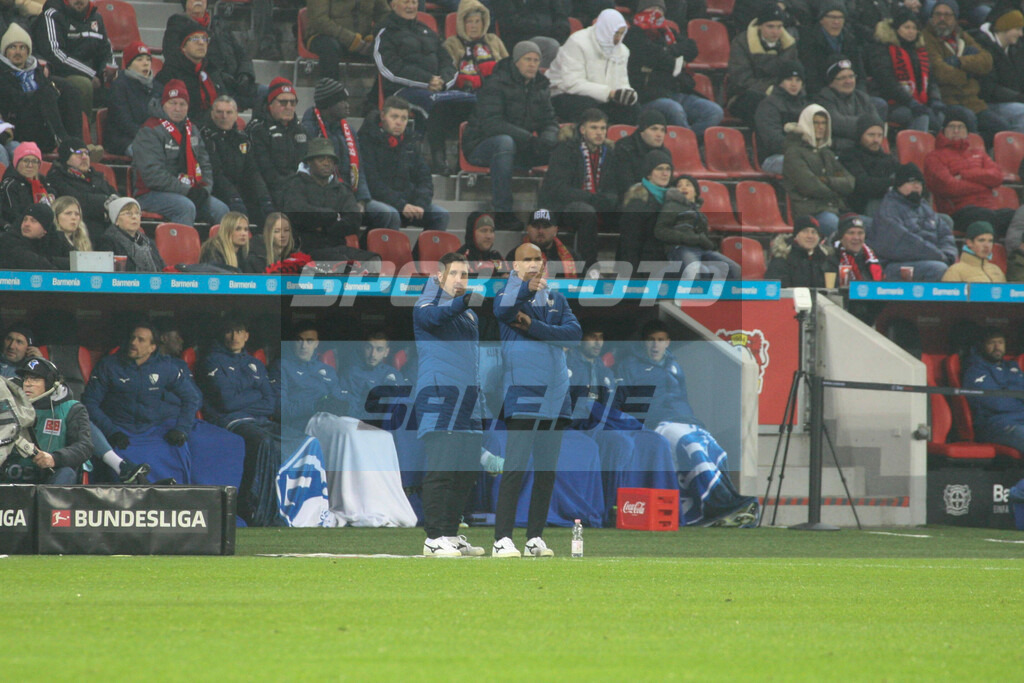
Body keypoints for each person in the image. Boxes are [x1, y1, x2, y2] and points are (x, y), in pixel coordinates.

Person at [614, 319, 759, 526]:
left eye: (661, 340)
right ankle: (720, 505)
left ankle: (727, 502)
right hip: (658, 424)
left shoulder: (674, 366)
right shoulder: (629, 366)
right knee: (691, 446)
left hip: (685, 421)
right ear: (644, 342)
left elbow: (682, 400)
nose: (655, 345)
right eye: (651, 340)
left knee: (715, 448)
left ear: (668, 342)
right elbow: (624, 403)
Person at [491, 242, 582, 557]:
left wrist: (534, 327)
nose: (533, 264)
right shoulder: (507, 296)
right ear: (514, 267)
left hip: (557, 396)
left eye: (537, 260)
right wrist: (527, 296)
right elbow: (502, 311)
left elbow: (574, 334)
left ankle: (534, 538)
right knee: (515, 468)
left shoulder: (557, 298)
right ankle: (502, 539)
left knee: (546, 471)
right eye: (526, 260)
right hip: (524, 394)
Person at [412, 252, 488, 557]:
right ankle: (433, 538)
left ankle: (450, 534)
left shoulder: (470, 315)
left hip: (468, 401)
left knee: (465, 472)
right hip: (439, 397)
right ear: (440, 277)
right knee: (442, 470)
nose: (460, 279)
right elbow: (433, 318)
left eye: (465, 274)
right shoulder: (427, 304)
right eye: (454, 273)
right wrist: (462, 301)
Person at [81, 323, 204, 484]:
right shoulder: (109, 365)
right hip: (119, 430)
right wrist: (111, 431)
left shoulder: (165, 367)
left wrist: (182, 429)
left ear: (152, 347)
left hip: (152, 430)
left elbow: (192, 398)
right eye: (133, 338)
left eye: (141, 340)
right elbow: (89, 403)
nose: (134, 343)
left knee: (178, 452)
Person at [463, 41, 559, 227]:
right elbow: (492, 124)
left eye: (536, 60)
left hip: (521, 146)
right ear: (516, 61)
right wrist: (529, 138)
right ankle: (502, 212)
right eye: (527, 59)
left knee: (560, 147)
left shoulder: (540, 86)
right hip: (481, 145)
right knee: (504, 142)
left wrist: (548, 138)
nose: (532, 64)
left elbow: (551, 121)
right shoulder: (496, 83)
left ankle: (547, 215)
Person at [372, 0, 472, 170]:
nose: (411, 6)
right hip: (402, 90)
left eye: (414, 2)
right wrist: (426, 81)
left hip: (437, 88)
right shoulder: (385, 31)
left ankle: (466, 159)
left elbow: (448, 62)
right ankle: (438, 160)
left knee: (474, 101)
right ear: (393, 4)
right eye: (406, 2)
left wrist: (443, 83)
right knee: (436, 103)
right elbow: (389, 68)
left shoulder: (427, 31)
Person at [198, 319, 280, 525]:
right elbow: (227, 403)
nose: (234, 337)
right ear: (223, 335)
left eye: (239, 331)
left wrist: (242, 400)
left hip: (259, 420)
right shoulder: (211, 361)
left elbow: (271, 404)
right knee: (262, 441)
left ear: (247, 335)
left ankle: (297, 506)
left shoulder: (255, 363)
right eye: (229, 331)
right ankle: (254, 506)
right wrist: (255, 394)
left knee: (303, 440)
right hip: (229, 421)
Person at [132, 80, 229, 227]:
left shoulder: (193, 129)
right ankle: (181, 249)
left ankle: (218, 250)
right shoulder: (149, 130)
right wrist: (188, 191)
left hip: (189, 191)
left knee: (222, 210)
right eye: (173, 103)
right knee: (185, 207)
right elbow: (153, 175)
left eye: (182, 104)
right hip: (150, 193)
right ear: (163, 104)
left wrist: (204, 190)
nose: (178, 108)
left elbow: (205, 164)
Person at [301, 79, 391, 229]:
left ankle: (368, 247)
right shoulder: (309, 131)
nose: (347, 105)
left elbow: (359, 169)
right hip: (326, 196)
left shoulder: (349, 130)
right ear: (328, 105)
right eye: (342, 101)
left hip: (352, 194)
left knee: (387, 214)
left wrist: (362, 200)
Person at [624, 0, 723, 135]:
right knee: (674, 110)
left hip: (676, 91)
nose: (656, 13)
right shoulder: (634, 34)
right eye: (651, 9)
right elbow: (658, 57)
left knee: (714, 111)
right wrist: (673, 54)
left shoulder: (668, 32)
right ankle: (685, 145)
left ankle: (689, 142)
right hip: (649, 96)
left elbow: (692, 48)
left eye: (659, 10)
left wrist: (667, 50)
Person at [538, 109, 616, 268]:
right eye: (594, 128)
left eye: (602, 128)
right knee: (585, 212)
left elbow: (615, 185)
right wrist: (591, 198)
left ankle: (633, 273)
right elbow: (557, 189)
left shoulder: (610, 153)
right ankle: (588, 268)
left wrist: (612, 199)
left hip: (599, 205)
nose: (599, 133)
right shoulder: (565, 150)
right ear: (582, 130)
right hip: (563, 207)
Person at [359, 96, 449, 232]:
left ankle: (420, 254)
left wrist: (420, 204)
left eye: (403, 118)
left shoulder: (410, 141)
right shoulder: (367, 139)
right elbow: (373, 183)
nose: (399, 122)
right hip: (379, 200)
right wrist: (401, 205)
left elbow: (424, 178)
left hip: (407, 202)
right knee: (391, 214)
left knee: (441, 215)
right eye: (394, 117)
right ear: (383, 116)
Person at [0, 357, 90, 485]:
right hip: (10, 475)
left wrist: (55, 458)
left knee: (67, 472)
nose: (28, 384)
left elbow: (84, 447)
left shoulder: (72, 408)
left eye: (35, 379)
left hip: (49, 478)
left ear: (50, 383)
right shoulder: (9, 408)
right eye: (26, 378)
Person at [923, 0, 1004, 141]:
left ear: (955, 18)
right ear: (931, 17)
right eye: (938, 14)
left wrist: (960, 61)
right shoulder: (927, 37)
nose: (942, 19)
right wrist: (969, 73)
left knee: (1001, 128)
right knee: (968, 118)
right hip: (947, 100)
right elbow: (941, 72)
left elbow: (986, 61)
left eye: (947, 15)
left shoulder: (961, 36)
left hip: (972, 101)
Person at [0, 23, 83, 153]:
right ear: (5, 52)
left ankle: (78, 144)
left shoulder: (37, 70)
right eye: (12, 47)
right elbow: (13, 99)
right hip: (17, 126)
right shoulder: (2, 74)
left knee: (70, 91)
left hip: (42, 124)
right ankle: (65, 143)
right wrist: (41, 94)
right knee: (45, 92)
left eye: (22, 48)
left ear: (28, 52)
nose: (17, 52)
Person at [923, 113, 1012, 234]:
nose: (956, 131)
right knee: (985, 218)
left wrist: (965, 175)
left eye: (961, 127)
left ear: (967, 132)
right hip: (958, 211)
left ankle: (1017, 252)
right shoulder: (934, 157)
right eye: (951, 127)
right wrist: (985, 185)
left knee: (1016, 216)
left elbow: (997, 177)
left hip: (990, 209)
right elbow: (950, 187)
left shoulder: (979, 154)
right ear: (943, 130)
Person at [547, 9, 637, 125]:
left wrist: (629, 95)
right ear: (606, 29)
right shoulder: (577, 42)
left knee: (632, 109)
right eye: (616, 33)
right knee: (589, 108)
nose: (618, 38)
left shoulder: (622, 51)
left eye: (621, 33)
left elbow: (622, 83)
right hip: (563, 94)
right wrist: (609, 93)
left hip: (601, 98)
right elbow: (571, 84)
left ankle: (620, 142)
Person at [870, 161, 956, 280]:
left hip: (931, 259)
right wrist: (938, 255)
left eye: (920, 183)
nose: (917, 186)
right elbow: (904, 243)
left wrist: (948, 254)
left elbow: (945, 235)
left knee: (959, 271)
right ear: (899, 185)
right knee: (938, 268)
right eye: (912, 182)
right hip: (894, 265)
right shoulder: (889, 208)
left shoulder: (924, 206)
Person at [167, 0, 256, 112]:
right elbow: (174, 57)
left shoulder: (219, 24)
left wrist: (245, 74)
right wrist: (218, 75)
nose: (198, 1)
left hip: (236, 82)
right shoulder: (177, 25)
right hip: (211, 81)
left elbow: (243, 54)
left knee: (268, 94)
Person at [199, 95, 274, 227]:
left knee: (268, 215)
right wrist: (234, 197)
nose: (224, 116)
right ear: (212, 114)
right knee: (239, 214)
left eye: (229, 112)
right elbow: (216, 173)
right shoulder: (205, 138)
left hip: (240, 192)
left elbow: (252, 172)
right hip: (218, 193)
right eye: (219, 112)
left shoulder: (242, 139)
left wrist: (264, 198)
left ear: (236, 115)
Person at [869, 7, 946, 133]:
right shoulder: (882, 50)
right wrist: (911, 102)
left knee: (940, 115)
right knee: (921, 115)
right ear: (896, 29)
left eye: (914, 28)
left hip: (919, 102)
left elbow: (931, 81)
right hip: (893, 103)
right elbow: (887, 82)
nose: (911, 31)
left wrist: (935, 99)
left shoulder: (920, 52)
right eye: (906, 27)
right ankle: (918, 150)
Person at [280, 137, 363, 254]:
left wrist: (324, 228)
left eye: (330, 160)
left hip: (337, 247)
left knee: (374, 260)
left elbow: (354, 221)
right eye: (321, 159)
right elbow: (298, 212)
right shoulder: (295, 184)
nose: (326, 163)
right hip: (305, 249)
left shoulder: (342, 189)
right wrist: (334, 216)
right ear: (309, 161)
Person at [782, 104, 854, 238]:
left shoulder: (827, 153)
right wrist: (836, 191)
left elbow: (850, 182)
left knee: (867, 225)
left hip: (832, 209)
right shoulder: (794, 153)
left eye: (824, 123)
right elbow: (810, 186)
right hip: (810, 213)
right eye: (816, 123)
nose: (821, 127)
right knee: (844, 231)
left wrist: (827, 180)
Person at [33, 0, 111, 116]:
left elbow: (106, 51)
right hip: (60, 72)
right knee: (83, 84)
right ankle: (83, 131)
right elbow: (55, 54)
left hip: (91, 72)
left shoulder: (97, 18)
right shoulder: (52, 15)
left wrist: (107, 71)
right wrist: (90, 74)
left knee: (120, 82)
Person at [655, 174, 740, 279]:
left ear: (695, 192)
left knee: (734, 268)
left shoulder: (699, 213)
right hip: (681, 248)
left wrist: (707, 243)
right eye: (679, 185)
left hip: (701, 250)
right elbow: (660, 231)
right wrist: (692, 239)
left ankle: (729, 295)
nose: (683, 187)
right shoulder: (671, 206)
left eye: (688, 185)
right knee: (693, 272)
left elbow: (703, 237)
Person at [727, 4, 799, 126]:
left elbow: (796, 75)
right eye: (770, 26)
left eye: (779, 26)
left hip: (782, 94)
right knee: (762, 103)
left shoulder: (789, 46)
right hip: (745, 96)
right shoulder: (741, 43)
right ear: (760, 26)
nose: (775, 31)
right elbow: (741, 80)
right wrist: (770, 89)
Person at [247, 77, 307, 210]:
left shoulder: (301, 130)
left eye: (293, 103)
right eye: (283, 102)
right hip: (271, 192)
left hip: (299, 189)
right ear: (270, 104)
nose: (289, 107)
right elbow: (265, 172)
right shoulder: (257, 130)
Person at [963, 327, 1024, 452]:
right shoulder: (975, 370)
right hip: (995, 425)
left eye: (1000, 343)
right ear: (982, 346)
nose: (997, 347)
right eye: (991, 343)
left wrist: (1010, 394)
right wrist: (1018, 399)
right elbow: (996, 403)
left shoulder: (1012, 367)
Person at [154, 17, 225, 121]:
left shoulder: (211, 71)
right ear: (183, 47)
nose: (201, 43)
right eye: (195, 38)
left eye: (204, 39)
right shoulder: (170, 73)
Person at [45, 137, 118, 233]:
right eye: (78, 153)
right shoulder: (57, 177)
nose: (84, 157)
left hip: (106, 228)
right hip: (80, 229)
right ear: (66, 158)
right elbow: (78, 201)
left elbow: (117, 198)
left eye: (86, 153)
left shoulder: (97, 177)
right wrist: (105, 202)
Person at [815, 56, 885, 154]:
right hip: (840, 151)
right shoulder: (824, 98)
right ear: (831, 82)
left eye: (851, 76)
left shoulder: (862, 97)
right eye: (842, 78)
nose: (848, 81)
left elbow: (877, 123)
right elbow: (837, 124)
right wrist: (866, 127)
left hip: (864, 149)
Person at [798, 1, 871, 96]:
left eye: (840, 17)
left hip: (851, 95)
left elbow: (860, 75)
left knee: (880, 104)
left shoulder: (851, 40)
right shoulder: (810, 42)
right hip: (824, 96)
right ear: (821, 19)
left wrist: (860, 97)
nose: (836, 22)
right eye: (832, 17)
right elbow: (811, 78)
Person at [305, 0, 389, 81]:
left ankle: (382, 93)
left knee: (391, 45)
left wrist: (375, 35)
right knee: (330, 48)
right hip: (323, 35)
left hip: (363, 39)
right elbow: (319, 20)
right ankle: (330, 92)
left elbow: (384, 14)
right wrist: (352, 40)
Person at [619, 149, 675, 271]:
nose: (665, 173)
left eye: (668, 169)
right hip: (643, 268)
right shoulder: (637, 202)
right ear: (649, 173)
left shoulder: (673, 199)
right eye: (660, 169)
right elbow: (630, 245)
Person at [971, 6, 1024, 133]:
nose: (1021, 34)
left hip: (1012, 100)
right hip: (988, 103)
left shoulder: (1015, 49)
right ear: (1005, 27)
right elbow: (988, 88)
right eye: (1017, 29)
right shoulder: (982, 46)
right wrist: (1018, 96)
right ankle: (1014, 151)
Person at [601, 109, 668, 203]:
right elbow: (625, 185)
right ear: (642, 131)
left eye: (662, 130)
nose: (659, 134)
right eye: (654, 129)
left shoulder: (665, 153)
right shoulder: (624, 148)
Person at [755, 62, 809, 176]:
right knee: (802, 164)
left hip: (803, 154)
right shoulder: (768, 105)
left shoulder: (806, 106)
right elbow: (773, 141)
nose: (794, 84)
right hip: (773, 158)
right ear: (780, 82)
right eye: (789, 79)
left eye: (798, 80)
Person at [443, 0, 508, 94]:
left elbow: (508, 67)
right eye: (470, 22)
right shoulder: (452, 44)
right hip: (466, 94)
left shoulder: (493, 40)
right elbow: (450, 75)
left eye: (477, 21)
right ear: (462, 24)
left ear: (483, 23)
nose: (474, 26)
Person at [838, 116, 897, 217]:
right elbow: (863, 185)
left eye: (879, 135)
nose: (876, 140)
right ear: (860, 135)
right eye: (871, 135)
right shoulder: (849, 156)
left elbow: (906, 175)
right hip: (861, 208)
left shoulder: (888, 158)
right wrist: (894, 183)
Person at [106, 42, 156, 157]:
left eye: (148, 60)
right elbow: (124, 121)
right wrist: (148, 137)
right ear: (128, 64)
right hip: (123, 140)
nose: (145, 63)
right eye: (139, 60)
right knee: (152, 154)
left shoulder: (157, 87)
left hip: (152, 139)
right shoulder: (119, 86)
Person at [95, 197, 166, 272]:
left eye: (137, 213)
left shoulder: (148, 242)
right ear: (116, 220)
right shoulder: (107, 242)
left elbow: (162, 269)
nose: (134, 217)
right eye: (128, 213)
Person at [504, 208, 581, 277]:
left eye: (546, 226)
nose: (540, 231)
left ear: (555, 230)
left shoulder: (571, 256)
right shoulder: (515, 255)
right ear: (528, 229)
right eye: (536, 226)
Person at [765, 215, 835, 287]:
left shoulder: (826, 259)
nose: (810, 236)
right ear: (796, 236)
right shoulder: (782, 258)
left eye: (814, 232)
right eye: (805, 231)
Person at [0, 141, 54, 229]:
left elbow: (53, 193)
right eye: (26, 161)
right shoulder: (10, 185)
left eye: (34, 161)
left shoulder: (43, 182)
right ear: (16, 163)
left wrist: (52, 195)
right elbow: (13, 217)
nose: (30, 165)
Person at [0, 204, 65, 270]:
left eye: (33, 221)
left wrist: (50, 260)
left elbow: (74, 259)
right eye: (25, 219)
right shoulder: (9, 240)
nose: (26, 224)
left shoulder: (56, 239)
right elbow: (31, 262)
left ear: (45, 229)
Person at [490, 0, 569, 52]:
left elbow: (561, 17)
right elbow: (511, 23)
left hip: (552, 35)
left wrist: (560, 31)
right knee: (550, 45)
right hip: (520, 39)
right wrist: (548, 29)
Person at [942, 220, 1007, 281]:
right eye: (981, 240)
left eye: (990, 241)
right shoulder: (955, 271)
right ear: (969, 243)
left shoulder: (996, 270)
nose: (987, 246)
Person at [829, 213, 883, 282]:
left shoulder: (871, 258)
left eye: (860, 233)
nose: (856, 238)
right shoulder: (832, 259)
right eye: (851, 233)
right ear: (841, 236)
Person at [48, 196, 90, 265]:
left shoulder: (82, 241)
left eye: (77, 214)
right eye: (68, 213)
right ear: (56, 216)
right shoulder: (52, 241)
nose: (74, 217)